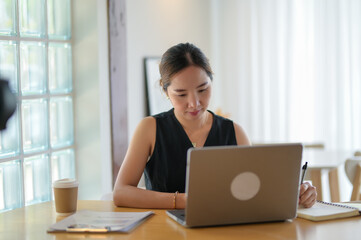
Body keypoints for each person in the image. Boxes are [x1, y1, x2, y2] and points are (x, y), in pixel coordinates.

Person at [113, 43, 317, 209]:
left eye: (203, 89)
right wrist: (182, 200)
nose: (194, 103)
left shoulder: (235, 132)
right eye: (181, 94)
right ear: (166, 91)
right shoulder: (150, 128)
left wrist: (298, 193)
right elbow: (121, 192)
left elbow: (256, 193)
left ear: (211, 81)